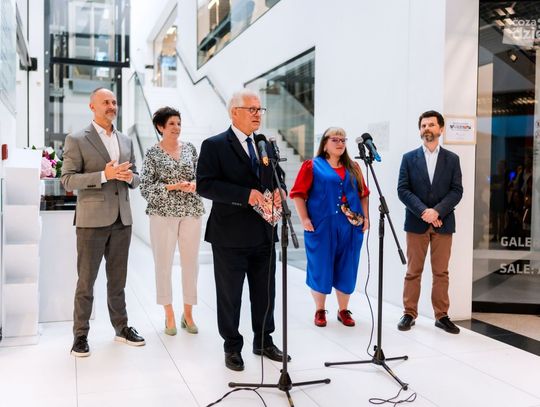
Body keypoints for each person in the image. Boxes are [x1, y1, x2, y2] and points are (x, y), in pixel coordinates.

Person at [196, 89, 288, 371]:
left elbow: (278, 176)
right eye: (252, 109)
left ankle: (263, 341)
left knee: (265, 293)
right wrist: (244, 195)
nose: (258, 114)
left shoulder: (264, 144)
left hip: (264, 232)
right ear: (234, 112)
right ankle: (232, 346)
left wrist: (280, 191)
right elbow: (205, 185)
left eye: (260, 110)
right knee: (230, 296)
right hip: (230, 235)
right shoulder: (214, 145)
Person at [61, 87, 145, 357]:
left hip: (122, 219)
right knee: (86, 281)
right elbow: (67, 180)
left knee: (118, 281)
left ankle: (121, 328)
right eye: (106, 102)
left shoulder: (126, 140)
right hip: (91, 221)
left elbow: (136, 177)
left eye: (114, 102)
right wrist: (104, 175)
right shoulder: (77, 139)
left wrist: (130, 178)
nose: (111, 106)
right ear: (92, 107)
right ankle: (80, 336)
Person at [290, 127, 369, 328]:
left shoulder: (354, 167)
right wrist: (305, 219)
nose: (340, 143)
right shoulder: (312, 166)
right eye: (335, 139)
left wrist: (366, 218)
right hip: (322, 226)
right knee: (321, 267)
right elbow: (298, 194)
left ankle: (343, 310)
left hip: (351, 226)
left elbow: (363, 194)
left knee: (348, 267)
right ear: (325, 144)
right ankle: (320, 309)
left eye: (343, 140)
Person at [396, 110, 463, 334]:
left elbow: (456, 191)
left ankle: (441, 316)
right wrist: (424, 211)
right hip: (416, 223)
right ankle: (409, 313)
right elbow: (403, 190)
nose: (427, 129)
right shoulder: (408, 158)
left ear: (441, 129)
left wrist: (437, 212)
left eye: (431, 125)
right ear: (420, 130)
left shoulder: (452, 159)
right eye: (423, 125)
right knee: (413, 271)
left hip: (443, 223)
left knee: (441, 272)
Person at [140, 107, 205, 336]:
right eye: (171, 124)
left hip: (191, 211)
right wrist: (172, 186)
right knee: (163, 263)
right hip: (162, 214)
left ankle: (188, 314)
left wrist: (194, 185)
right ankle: (168, 313)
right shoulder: (152, 153)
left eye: (179, 123)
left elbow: (201, 177)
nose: (177, 128)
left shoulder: (190, 149)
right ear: (160, 127)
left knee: (191, 264)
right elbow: (145, 187)